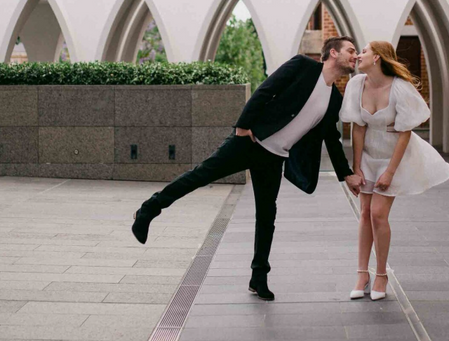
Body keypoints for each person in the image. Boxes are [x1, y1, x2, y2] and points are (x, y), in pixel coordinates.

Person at [131, 36, 365, 301]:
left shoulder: (334, 98)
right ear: (333, 53)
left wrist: (347, 174)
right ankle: (149, 209)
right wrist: (243, 125)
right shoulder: (303, 66)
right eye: (350, 50)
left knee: (267, 217)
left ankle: (258, 277)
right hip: (250, 141)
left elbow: (331, 139)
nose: (354, 55)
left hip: (275, 156)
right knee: (200, 176)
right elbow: (267, 89)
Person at [341, 41, 449, 301]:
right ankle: (361, 273)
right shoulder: (356, 85)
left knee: (378, 214)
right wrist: (356, 166)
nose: (359, 55)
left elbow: (405, 133)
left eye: (364, 51)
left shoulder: (400, 89)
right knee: (365, 212)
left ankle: (381, 274)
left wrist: (390, 172)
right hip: (368, 154)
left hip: (395, 157)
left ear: (378, 57)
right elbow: (357, 127)